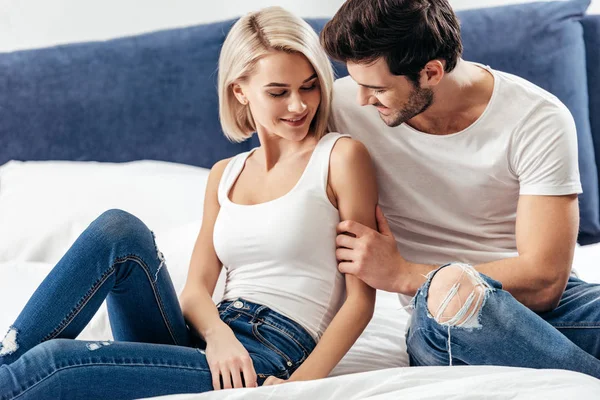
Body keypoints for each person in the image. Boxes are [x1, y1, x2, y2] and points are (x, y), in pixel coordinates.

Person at [0, 7, 378, 399]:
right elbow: (197, 290)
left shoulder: (340, 158)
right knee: (118, 230)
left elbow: (359, 302)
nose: (299, 105)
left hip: (269, 354)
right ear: (240, 91)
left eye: (310, 86)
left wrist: (295, 388)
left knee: (56, 363)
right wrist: (218, 336)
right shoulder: (224, 174)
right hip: (209, 340)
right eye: (279, 92)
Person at [320, 0, 600, 378]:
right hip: (443, 313)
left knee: (456, 283)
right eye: (356, 82)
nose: (361, 99)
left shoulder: (537, 118)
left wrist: (403, 274)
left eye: (376, 88)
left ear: (432, 72)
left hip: (549, 303)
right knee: (451, 289)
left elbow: (546, 281)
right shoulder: (341, 108)